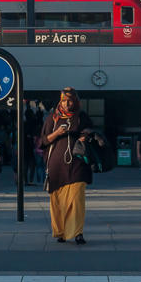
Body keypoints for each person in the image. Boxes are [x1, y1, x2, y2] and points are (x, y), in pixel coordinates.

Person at [40, 87, 92, 245]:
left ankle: (77, 232)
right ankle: (61, 232)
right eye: (64, 101)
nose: (67, 104)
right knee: (58, 201)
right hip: (56, 165)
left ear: (75, 101)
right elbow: (43, 141)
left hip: (77, 164)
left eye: (70, 100)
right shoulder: (53, 118)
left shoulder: (81, 117)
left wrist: (85, 136)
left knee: (76, 200)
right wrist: (57, 133)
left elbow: (89, 130)